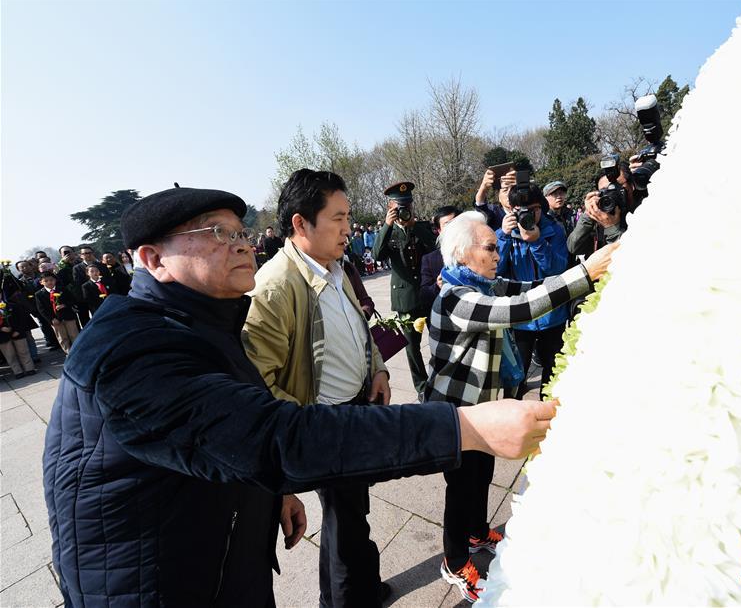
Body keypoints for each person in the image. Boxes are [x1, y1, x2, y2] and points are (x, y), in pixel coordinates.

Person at [43, 185, 556, 607]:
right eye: (218, 234)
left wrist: (270, 494)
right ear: (153, 258)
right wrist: (463, 427)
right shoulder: (131, 346)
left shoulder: (207, 321)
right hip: (156, 586)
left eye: (241, 232)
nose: (243, 244)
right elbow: (269, 437)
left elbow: (231, 431)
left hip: (223, 560)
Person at [425, 211, 619, 602]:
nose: (499, 254)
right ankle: (454, 559)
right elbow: (520, 308)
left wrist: (584, 271)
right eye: (491, 248)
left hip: (484, 408)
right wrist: (583, 276)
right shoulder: (457, 298)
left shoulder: (486, 284)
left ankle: (478, 532)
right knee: (461, 490)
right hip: (456, 414)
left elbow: (529, 287)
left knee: (482, 474)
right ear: (463, 254)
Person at [244, 169, 393, 606]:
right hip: (325, 422)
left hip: (356, 406)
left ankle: (362, 585)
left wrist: (379, 368)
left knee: (350, 514)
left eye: (348, 217)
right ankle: (349, 598)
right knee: (346, 521)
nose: (348, 228)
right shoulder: (275, 287)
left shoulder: (334, 267)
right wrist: (313, 425)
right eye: (338, 217)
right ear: (300, 223)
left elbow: (359, 328)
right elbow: (259, 385)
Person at [495, 180, 570, 399]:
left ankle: (547, 413)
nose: (529, 215)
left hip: (552, 314)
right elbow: (495, 270)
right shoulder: (504, 233)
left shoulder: (553, 230)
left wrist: (537, 242)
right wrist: (502, 237)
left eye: (534, 210)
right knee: (516, 372)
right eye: (521, 211)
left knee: (552, 369)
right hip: (520, 316)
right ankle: (512, 415)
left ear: (541, 208)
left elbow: (557, 268)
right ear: (512, 211)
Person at [372, 182, 437, 395]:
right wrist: (387, 226)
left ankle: (440, 379)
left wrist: (415, 225)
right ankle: (422, 387)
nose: (404, 210)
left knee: (439, 340)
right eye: (399, 206)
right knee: (412, 347)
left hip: (428, 293)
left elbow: (435, 247)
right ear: (390, 207)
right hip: (405, 299)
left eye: (407, 204)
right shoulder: (388, 233)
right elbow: (377, 256)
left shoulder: (421, 227)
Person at [567, 158, 640, 256]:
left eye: (618, 187)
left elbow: (632, 258)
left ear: (632, 185)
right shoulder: (598, 218)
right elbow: (573, 248)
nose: (611, 195)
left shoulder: (643, 214)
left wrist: (612, 228)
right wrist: (588, 215)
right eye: (605, 191)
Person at [420, 205, 460, 316]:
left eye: (455, 223)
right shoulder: (429, 259)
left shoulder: (476, 251)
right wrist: (437, 285)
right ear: (439, 230)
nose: (452, 228)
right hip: (447, 318)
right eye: (447, 225)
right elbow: (424, 294)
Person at [35, 271, 80, 353]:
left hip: (68, 316)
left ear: (55, 280)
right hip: (55, 320)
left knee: (74, 335)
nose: (49, 282)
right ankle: (69, 353)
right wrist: (51, 319)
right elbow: (42, 309)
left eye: (51, 280)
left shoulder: (62, 289)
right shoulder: (39, 294)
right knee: (63, 338)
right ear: (41, 282)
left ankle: (78, 352)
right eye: (46, 281)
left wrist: (65, 305)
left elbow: (73, 300)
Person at [72, 245, 113, 327]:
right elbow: (77, 284)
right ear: (81, 255)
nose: (87, 255)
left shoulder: (101, 265)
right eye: (84, 253)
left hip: (104, 296)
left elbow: (109, 280)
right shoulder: (77, 268)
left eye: (89, 253)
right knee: (87, 322)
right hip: (87, 297)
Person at [0, 295, 37, 379]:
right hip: (2, 336)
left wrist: (18, 330)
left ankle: (29, 369)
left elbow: (22, 319)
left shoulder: (13, 306)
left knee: (23, 351)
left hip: (18, 333)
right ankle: (17, 372)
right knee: (10, 355)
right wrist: (1, 328)